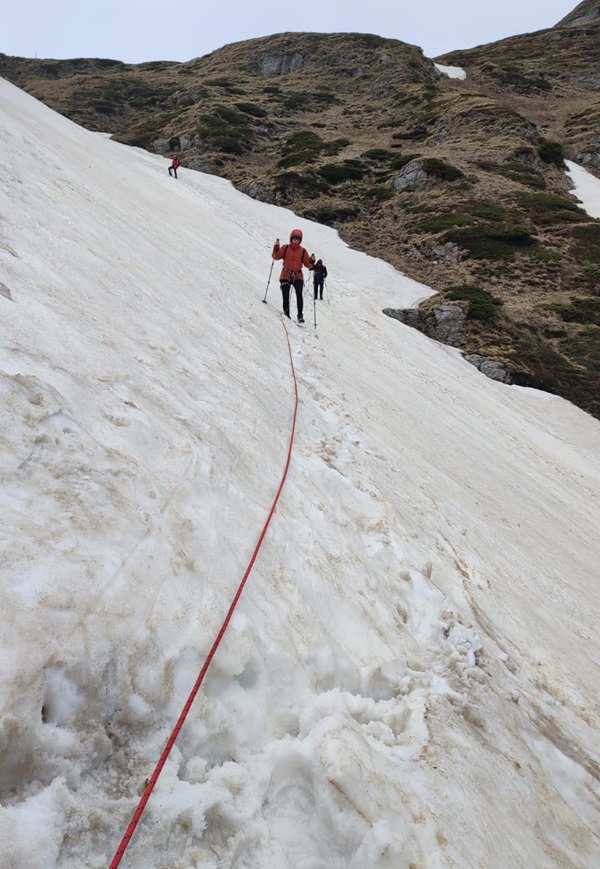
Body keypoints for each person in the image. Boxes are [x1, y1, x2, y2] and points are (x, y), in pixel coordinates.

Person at [272, 229, 314, 323]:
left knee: (299, 294)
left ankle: (300, 315)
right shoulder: (285, 248)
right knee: (285, 295)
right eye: (294, 239)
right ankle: (287, 314)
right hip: (286, 274)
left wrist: (311, 261)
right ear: (291, 239)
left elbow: (308, 265)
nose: (296, 241)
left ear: (300, 240)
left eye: (298, 239)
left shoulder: (303, 251)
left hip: (298, 275)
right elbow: (275, 256)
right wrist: (276, 248)